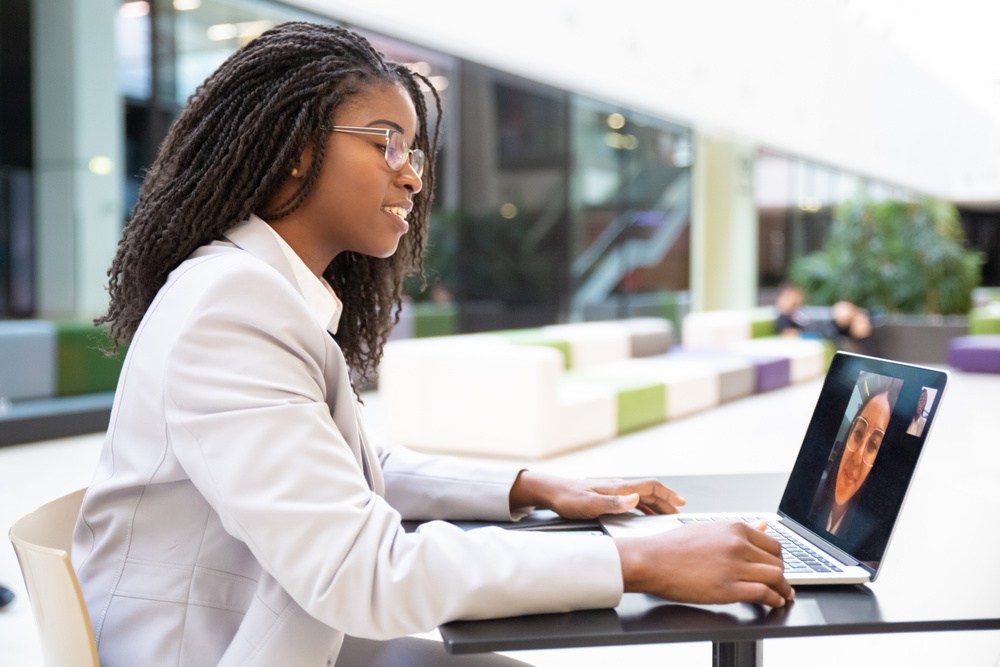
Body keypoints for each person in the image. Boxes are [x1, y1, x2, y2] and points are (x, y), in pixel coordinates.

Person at [72, 23, 792, 666]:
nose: (413, 174)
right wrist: (632, 558)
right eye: (385, 141)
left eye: (412, 148)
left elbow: (344, 464)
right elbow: (366, 573)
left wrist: (523, 486)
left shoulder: (254, 290)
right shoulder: (229, 308)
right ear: (295, 152)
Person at [808, 388, 892, 538]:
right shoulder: (812, 493)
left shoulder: (871, 535)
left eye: (873, 445)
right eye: (858, 433)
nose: (857, 458)